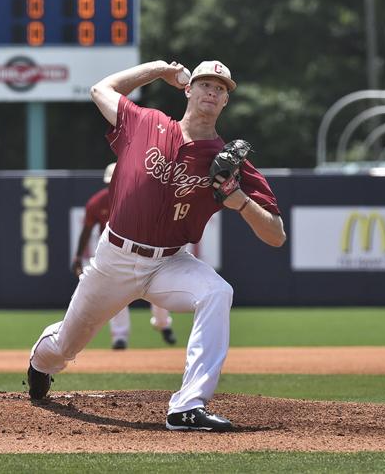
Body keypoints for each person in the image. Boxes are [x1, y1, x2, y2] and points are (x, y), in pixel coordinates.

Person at [28, 59, 286, 432]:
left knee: (217, 292)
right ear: (188, 89)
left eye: (221, 88)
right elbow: (99, 89)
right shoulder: (146, 122)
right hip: (114, 258)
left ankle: (188, 406)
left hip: (169, 264)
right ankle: (40, 363)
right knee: (67, 345)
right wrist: (158, 68)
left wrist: (240, 201)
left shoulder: (227, 161)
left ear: (226, 101)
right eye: (205, 84)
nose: (212, 92)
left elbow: (276, 234)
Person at [71, 162, 177, 350]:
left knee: (159, 291)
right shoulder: (98, 202)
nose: (114, 185)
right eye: (110, 182)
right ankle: (120, 337)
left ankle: (163, 324)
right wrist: (78, 257)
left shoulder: (141, 198)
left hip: (144, 251)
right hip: (114, 255)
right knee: (114, 294)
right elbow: (87, 230)